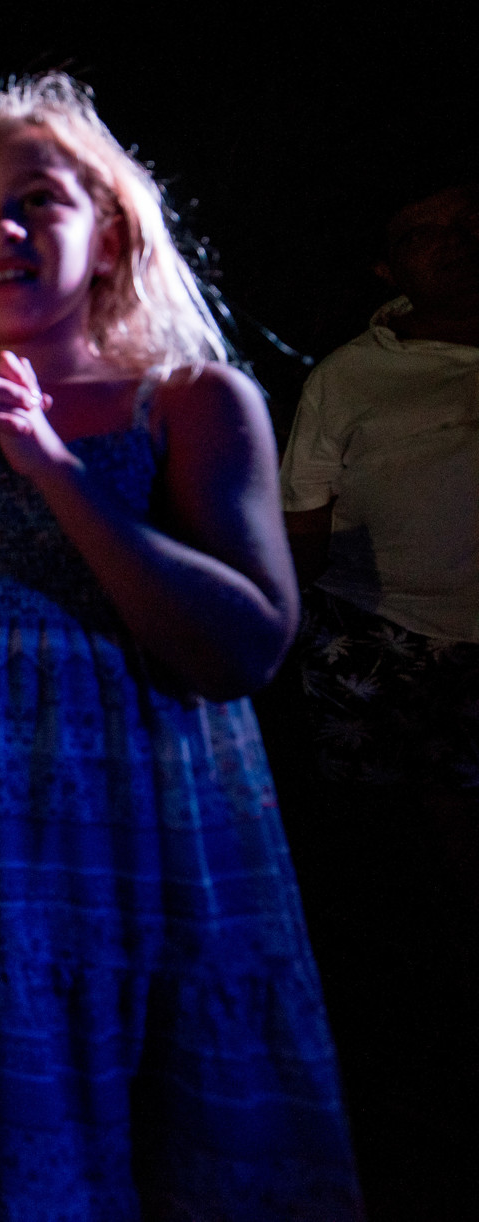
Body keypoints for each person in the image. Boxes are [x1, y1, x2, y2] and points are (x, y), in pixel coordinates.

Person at [0, 74, 358, 1217]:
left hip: (142, 856)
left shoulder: (188, 402)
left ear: (109, 229)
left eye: (32, 202)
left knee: (150, 1135)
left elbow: (245, 645)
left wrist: (57, 474)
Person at [276, 179, 479, 1214]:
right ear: (383, 267)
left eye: (461, 227)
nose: (447, 244)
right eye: (419, 233)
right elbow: (298, 530)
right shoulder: (349, 377)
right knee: (391, 864)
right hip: (382, 645)